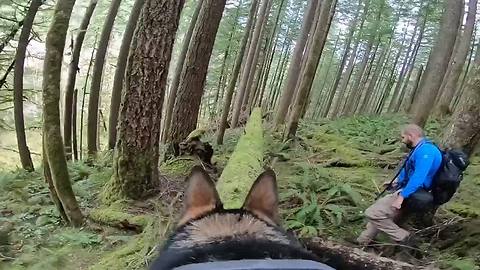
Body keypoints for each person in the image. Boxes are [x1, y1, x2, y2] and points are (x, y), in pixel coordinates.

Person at [356, 124, 442, 246]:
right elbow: (409, 170)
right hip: (410, 191)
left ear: (411, 136)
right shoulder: (420, 149)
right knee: (379, 215)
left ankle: (405, 238)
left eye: (403, 137)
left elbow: (418, 177)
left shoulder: (426, 151)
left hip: (412, 193)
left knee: (373, 213)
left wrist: (401, 197)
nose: (402, 141)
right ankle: (362, 243)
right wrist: (395, 182)